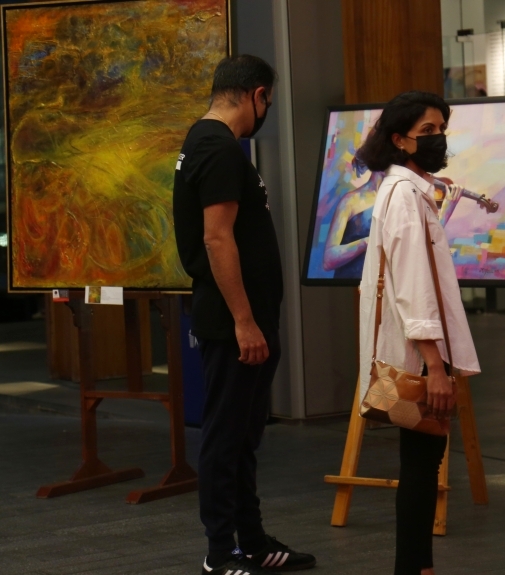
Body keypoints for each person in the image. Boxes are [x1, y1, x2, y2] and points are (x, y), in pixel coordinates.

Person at [172, 55, 316, 575]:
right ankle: (219, 552)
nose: (267, 111)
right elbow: (216, 238)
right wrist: (244, 321)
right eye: (268, 102)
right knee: (224, 437)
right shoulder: (216, 147)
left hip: (246, 319)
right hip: (234, 322)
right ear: (257, 95)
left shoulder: (211, 143)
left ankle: (252, 541)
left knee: (243, 438)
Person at [357, 91, 481, 575]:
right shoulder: (405, 196)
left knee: (422, 460)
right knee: (422, 463)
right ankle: (413, 567)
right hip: (418, 353)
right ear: (399, 139)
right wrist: (434, 367)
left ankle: (417, 567)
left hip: (412, 345)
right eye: (427, 131)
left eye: (441, 129)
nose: (438, 138)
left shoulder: (404, 190)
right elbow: (412, 285)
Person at [322, 156, 382, 278]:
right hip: (350, 281)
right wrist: (366, 242)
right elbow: (328, 259)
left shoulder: (400, 201)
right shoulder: (351, 201)